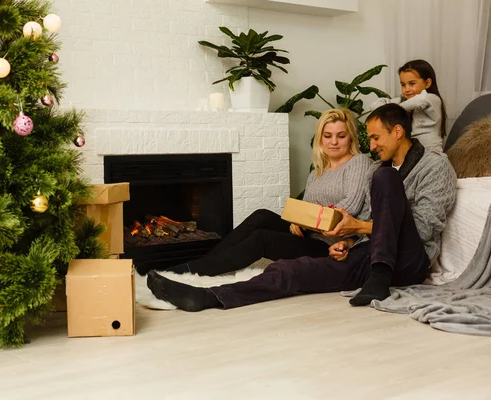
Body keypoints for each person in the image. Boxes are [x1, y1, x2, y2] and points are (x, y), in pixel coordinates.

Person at [146, 103, 457, 311]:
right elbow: (367, 220)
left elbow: (424, 225)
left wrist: (358, 228)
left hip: (408, 261)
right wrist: (348, 241)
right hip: (368, 253)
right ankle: (209, 296)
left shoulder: (432, 166)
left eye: (375, 138)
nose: (372, 144)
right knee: (290, 270)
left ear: (398, 132)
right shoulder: (379, 168)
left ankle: (379, 275)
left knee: (387, 178)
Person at [158, 108, 372, 277]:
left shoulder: (358, 162)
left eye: (341, 136)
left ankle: (191, 270)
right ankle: (200, 264)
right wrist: (299, 220)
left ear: (350, 138)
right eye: (328, 136)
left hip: (328, 244)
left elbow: (347, 209)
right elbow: (305, 209)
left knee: (263, 239)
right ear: (320, 139)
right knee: (261, 215)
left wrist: (306, 219)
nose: (334, 142)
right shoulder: (318, 171)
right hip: (308, 234)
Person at [370, 59, 447, 153]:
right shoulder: (402, 101)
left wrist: (391, 109)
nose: (407, 89)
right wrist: (391, 108)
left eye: (412, 83)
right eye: (403, 85)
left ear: (427, 83)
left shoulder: (432, 99)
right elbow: (374, 106)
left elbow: (419, 101)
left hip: (432, 153)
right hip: (413, 153)